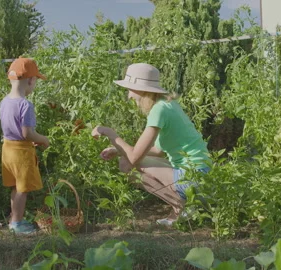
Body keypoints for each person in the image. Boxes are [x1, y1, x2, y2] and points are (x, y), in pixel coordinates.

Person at [91, 63, 212, 226]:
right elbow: (158, 150)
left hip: (192, 179)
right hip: (201, 175)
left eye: (130, 90)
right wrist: (117, 150)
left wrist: (110, 133)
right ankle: (185, 206)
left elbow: (134, 158)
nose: (128, 96)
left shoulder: (158, 110)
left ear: (143, 90)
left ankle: (180, 207)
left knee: (127, 164)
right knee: (125, 158)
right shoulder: (167, 105)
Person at [0, 57, 50, 234]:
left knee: (15, 187)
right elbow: (27, 134)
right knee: (23, 189)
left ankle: (14, 220)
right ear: (30, 80)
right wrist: (43, 139)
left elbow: (11, 129)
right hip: (21, 152)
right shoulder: (25, 105)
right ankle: (17, 224)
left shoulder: (4, 102)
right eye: (35, 80)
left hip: (7, 150)